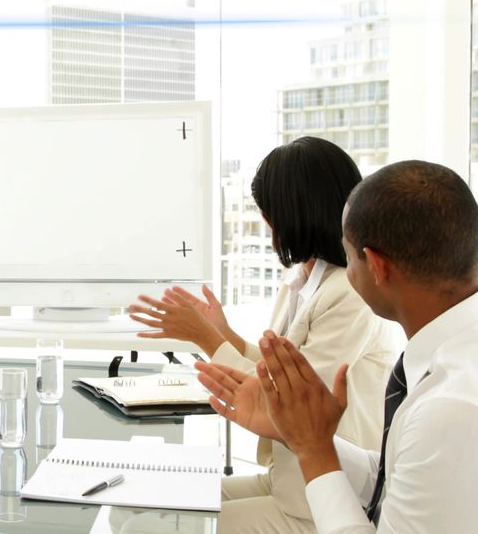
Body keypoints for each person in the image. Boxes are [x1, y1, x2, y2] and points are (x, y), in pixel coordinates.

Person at [129, 136, 402, 533]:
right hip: (287, 482)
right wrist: (227, 336)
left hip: (320, 503)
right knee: (145, 502)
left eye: (268, 212)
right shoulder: (304, 281)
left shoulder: (349, 294)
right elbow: (278, 368)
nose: (266, 224)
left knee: (146, 529)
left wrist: (206, 338)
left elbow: (294, 403)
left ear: (294, 212)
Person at [197, 160, 478, 532]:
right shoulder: (448, 362)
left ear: (377, 266)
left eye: (348, 257)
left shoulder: (450, 409)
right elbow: (395, 478)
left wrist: (314, 450)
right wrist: (309, 437)